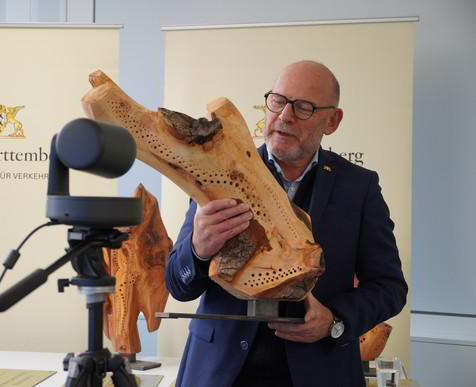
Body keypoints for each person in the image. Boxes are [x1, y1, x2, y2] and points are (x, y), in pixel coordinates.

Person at [164, 60, 408, 387]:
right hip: (219, 372)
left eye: (304, 107)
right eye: (277, 101)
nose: (285, 116)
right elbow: (178, 286)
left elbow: (389, 288)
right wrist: (198, 249)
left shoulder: (359, 188)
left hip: (319, 372)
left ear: (332, 121)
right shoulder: (219, 173)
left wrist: (335, 321)